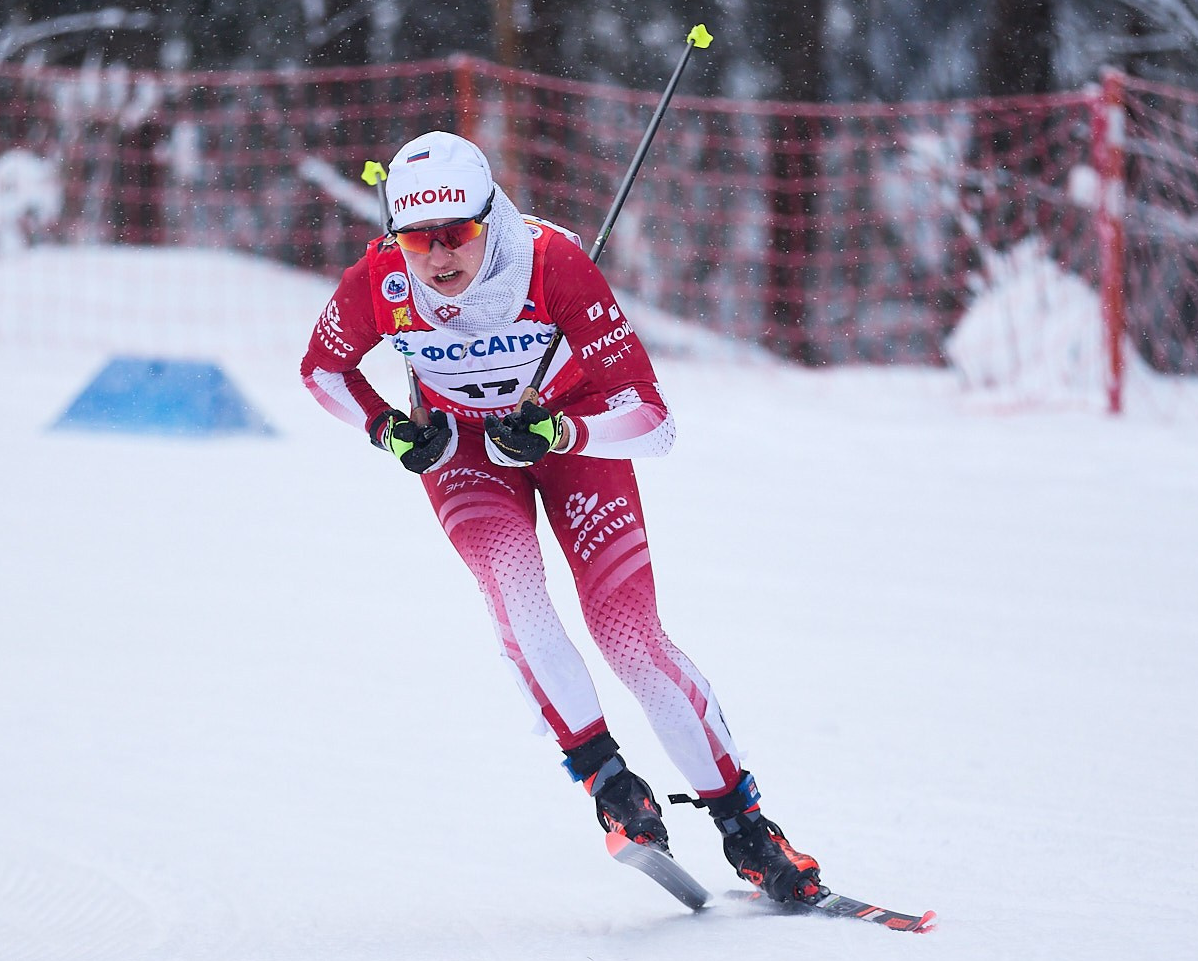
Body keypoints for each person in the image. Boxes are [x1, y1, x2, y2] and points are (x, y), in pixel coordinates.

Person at [299, 129, 824, 905]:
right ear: (393, 236)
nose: (439, 259)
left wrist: (563, 430)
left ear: (490, 218)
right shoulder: (382, 281)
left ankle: (746, 826)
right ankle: (612, 782)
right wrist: (389, 427)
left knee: (629, 638)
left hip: (574, 438)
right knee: (516, 591)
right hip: (466, 455)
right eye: (418, 240)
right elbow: (322, 369)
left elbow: (653, 419)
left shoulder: (552, 264)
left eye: (458, 235)